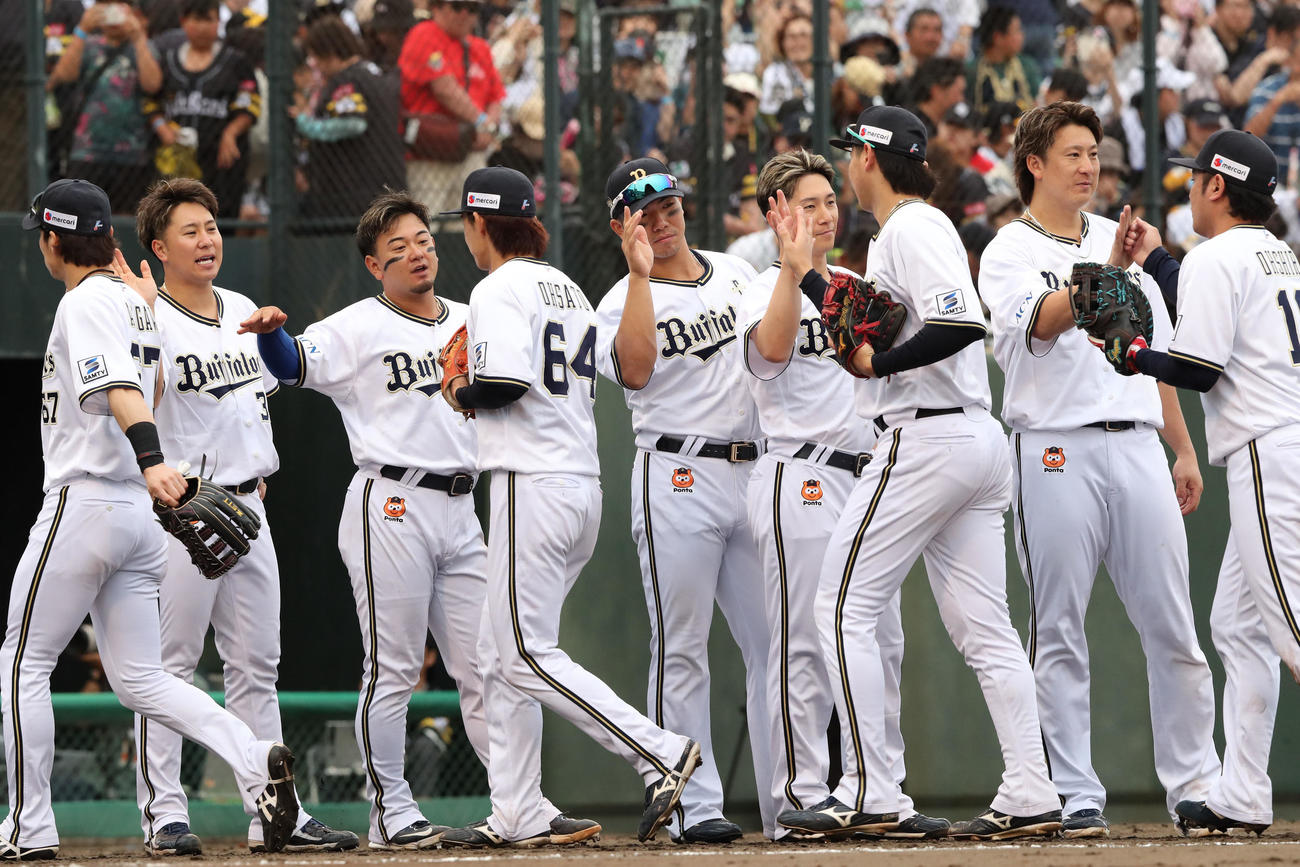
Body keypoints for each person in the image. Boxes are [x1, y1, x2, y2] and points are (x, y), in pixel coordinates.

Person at [773, 105, 1061, 842]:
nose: (844, 166)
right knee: (986, 631)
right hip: (967, 441)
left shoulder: (912, 225)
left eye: (850, 155)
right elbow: (868, 316)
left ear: (869, 158)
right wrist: (805, 273)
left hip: (927, 438)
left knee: (839, 607)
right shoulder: (898, 232)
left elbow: (961, 320)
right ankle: (1031, 788)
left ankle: (872, 789)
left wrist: (880, 362)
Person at [2, 178, 298, 860]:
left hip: (89, 497)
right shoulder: (137, 305)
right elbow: (154, 385)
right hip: (138, 519)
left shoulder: (85, 301)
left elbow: (125, 393)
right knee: (144, 677)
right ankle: (253, 758)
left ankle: (28, 827)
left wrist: (154, 458)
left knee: (22, 661)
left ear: (52, 241)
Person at [237, 191, 518, 851]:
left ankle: (516, 801)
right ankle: (390, 809)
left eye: (422, 239)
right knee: (393, 667)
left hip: (460, 504)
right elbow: (294, 366)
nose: (416, 252)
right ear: (374, 265)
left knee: (485, 665)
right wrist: (275, 334)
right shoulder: (359, 323)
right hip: (390, 499)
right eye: (398, 248)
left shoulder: (473, 316)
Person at [431, 167, 703, 848]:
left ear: (476, 224)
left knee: (522, 650)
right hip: (579, 483)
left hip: (532, 481)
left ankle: (657, 751)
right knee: (500, 654)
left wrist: (458, 390)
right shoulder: (568, 286)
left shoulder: (496, 287)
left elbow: (499, 385)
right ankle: (516, 808)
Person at [977, 101, 1221, 838]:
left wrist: (1181, 445)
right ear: (1035, 164)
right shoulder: (1007, 250)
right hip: (1055, 446)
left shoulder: (1128, 239)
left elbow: (1155, 358)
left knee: (1174, 623)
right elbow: (1044, 322)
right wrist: (1101, 274)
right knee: (1057, 628)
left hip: (1138, 438)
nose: (1090, 167)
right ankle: (1075, 789)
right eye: (1075, 154)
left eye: (1095, 154)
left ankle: (1195, 783)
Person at [119, 179, 357, 856]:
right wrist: (137, 322)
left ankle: (274, 811)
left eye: (213, 226)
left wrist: (277, 335)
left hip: (249, 504)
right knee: (168, 666)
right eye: (190, 230)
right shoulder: (152, 317)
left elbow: (258, 404)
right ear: (159, 247)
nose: (207, 239)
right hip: (183, 510)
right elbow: (134, 404)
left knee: (258, 664)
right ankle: (164, 813)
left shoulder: (244, 308)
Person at [738, 150, 945, 841]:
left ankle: (881, 790)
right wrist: (794, 270)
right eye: (808, 202)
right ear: (777, 213)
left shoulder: (858, 281)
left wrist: (818, 275)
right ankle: (798, 800)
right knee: (801, 646)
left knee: (882, 641)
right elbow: (768, 354)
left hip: (869, 472)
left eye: (830, 200)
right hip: (797, 471)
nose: (825, 212)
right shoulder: (760, 285)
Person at [1116, 130, 1300, 838]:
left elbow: (1198, 368)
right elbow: (1209, 313)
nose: (1190, 187)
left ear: (1216, 186)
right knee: (1237, 622)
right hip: (1279, 444)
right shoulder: (1271, 250)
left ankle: (1244, 791)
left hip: (1266, 455)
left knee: (1289, 625)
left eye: (1196, 179)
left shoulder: (1220, 257)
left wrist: (1132, 352)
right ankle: (1244, 793)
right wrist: (1157, 259)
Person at [595, 157, 775, 843]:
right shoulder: (620, 297)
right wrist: (640, 274)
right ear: (622, 224)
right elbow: (635, 370)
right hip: (676, 470)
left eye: (667, 205)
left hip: (752, 469)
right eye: (643, 211)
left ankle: (786, 800)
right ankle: (693, 802)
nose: (662, 219)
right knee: (682, 646)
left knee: (773, 645)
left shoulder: (734, 271)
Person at [45, 0, 163, 213]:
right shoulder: (87, 44)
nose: (112, 15)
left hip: (131, 153)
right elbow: (64, 74)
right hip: (87, 152)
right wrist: (82, 29)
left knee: (127, 221)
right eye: (105, 8)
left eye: (119, 7)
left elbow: (152, 84)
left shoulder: (143, 46)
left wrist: (138, 37)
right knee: (82, 219)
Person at [149, 0, 260, 220]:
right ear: (183, 21)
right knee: (174, 218)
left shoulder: (236, 62)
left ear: (218, 21)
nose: (201, 27)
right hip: (176, 160)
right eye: (196, 19)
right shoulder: (168, 60)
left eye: (208, 19)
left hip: (221, 163)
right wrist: (161, 127)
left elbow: (250, 103)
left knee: (221, 219)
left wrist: (231, 132)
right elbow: (150, 102)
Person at [397, 0, 505, 215]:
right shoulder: (424, 34)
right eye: (457, 6)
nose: (465, 14)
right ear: (436, 7)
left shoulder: (480, 47)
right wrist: (484, 124)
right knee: (428, 223)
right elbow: (444, 89)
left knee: (473, 223)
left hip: (471, 150)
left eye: (473, 9)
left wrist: (489, 126)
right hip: (432, 152)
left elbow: (496, 96)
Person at [297, 15, 406, 220]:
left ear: (328, 52)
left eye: (315, 56)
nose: (314, 64)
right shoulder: (374, 72)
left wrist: (305, 124)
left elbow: (353, 123)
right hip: (383, 185)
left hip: (354, 195)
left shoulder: (348, 79)